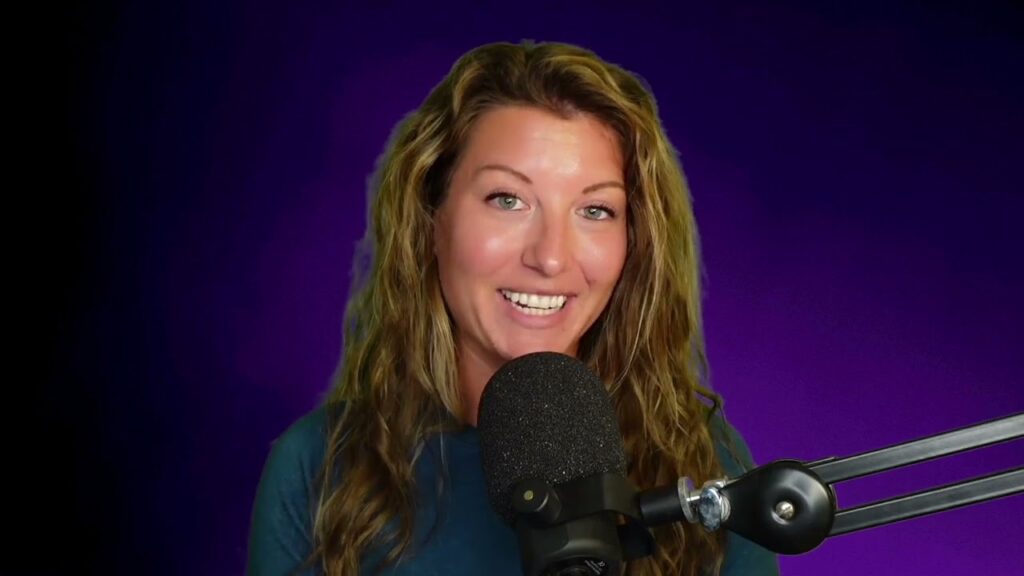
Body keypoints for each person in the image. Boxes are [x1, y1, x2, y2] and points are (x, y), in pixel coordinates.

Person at [248, 40, 780, 576]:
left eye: (595, 209)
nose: (550, 257)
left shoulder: (702, 463)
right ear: (431, 220)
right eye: (508, 200)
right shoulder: (318, 467)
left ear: (633, 241)